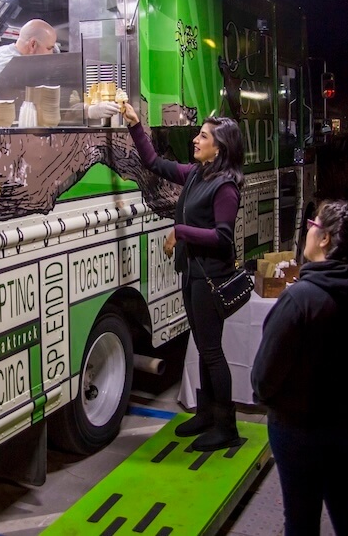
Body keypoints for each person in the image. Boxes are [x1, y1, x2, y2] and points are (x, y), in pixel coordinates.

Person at [251, 201, 348, 536]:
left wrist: (270, 400)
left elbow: (263, 377)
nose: (308, 229)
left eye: (313, 223)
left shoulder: (300, 299)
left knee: (300, 517)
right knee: (342, 496)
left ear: (326, 239)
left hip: (297, 430)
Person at [122, 102, 245, 451]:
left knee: (212, 351)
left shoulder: (225, 187)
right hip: (192, 274)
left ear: (218, 147)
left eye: (203, 136)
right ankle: (207, 414)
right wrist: (134, 125)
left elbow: (223, 237)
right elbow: (154, 163)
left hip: (212, 277)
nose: (195, 139)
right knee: (204, 348)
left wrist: (182, 231)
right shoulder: (197, 173)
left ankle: (227, 426)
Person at [0, 19, 58, 98]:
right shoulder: (20, 69)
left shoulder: (1, 50)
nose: (51, 54)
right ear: (33, 45)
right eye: (49, 48)